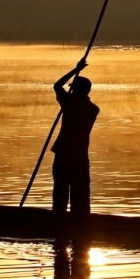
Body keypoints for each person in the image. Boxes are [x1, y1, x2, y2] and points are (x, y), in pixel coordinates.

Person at [51, 58, 99, 216]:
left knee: (60, 195)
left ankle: (61, 225)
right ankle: (80, 228)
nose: (70, 90)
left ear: (76, 90)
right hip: (81, 158)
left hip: (64, 155)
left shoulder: (70, 103)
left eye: (72, 88)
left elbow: (57, 86)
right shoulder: (93, 109)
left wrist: (75, 69)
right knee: (81, 198)